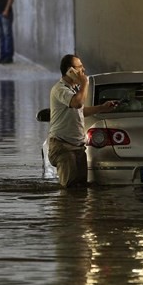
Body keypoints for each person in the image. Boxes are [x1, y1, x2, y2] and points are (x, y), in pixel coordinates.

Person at [48, 54, 116, 188]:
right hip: (63, 146)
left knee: (81, 189)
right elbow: (77, 103)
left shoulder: (73, 90)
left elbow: (80, 111)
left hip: (77, 146)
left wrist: (101, 108)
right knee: (70, 190)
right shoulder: (60, 89)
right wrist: (85, 83)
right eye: (80, 68)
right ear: (70, 71)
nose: (83, 70)